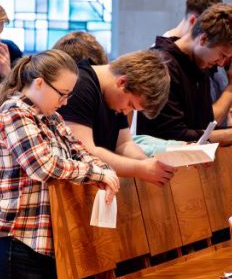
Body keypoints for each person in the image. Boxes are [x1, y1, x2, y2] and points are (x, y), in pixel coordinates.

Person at [0, 50, 118, 279]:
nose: (65, 102)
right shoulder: (14, 112)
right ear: (39, 83)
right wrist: (99, 174)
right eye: (62, 94)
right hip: (13, 239)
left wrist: (102, 169)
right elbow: (43, 166)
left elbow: (81, 152)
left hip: (43, 242)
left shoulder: (50, 118)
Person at [137, 2, 232, 144]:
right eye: (222, 55)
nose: (221, 63)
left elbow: (203, 126)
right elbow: (172, 136)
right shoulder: (163, 65)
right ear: (203, 39)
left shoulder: (199, 64)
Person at [60, 50, 176, 184]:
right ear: (122, 82)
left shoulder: (114, 98)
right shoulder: (81, 85)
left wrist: (146, 162)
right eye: (130, 104)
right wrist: (141, 168)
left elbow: (124, 144)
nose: (126, 112)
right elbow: (85, 152)